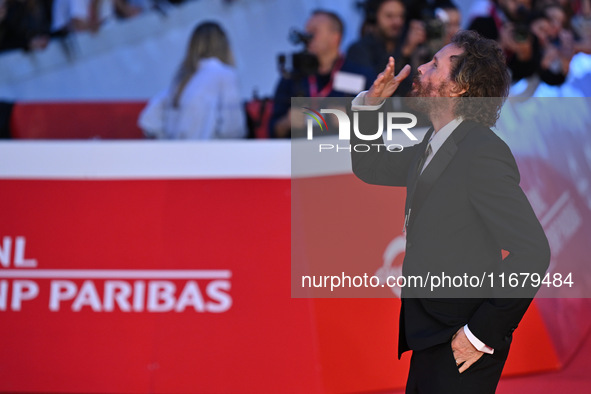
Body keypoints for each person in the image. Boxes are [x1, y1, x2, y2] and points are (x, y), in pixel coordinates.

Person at [350, 30, 550, 393]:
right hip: (434, 331)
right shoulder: (435, 141)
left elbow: (532, 251)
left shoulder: (481, 151)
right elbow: (372, 167)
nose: (420, 69)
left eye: (434, 64)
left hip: (462, 338)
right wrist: (369, 107)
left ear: (459, 87)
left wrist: (477, 335)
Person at [269, 9, 374, 138]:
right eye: (306, 32)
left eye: (313, 32)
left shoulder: (360, 75)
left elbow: (380, 123)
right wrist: (287, 122)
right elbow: (272, 130)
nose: (307, 38)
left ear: (335, 37)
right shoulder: (293, 77)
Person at [138, 21, 246, 140]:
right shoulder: (225, 74)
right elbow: (232, 128)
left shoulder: (183, 77)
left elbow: (149, 119)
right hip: (209, 153)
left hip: (176, 152)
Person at [347, 0, 427, 96]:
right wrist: (404, 52)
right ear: (374, 17)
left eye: (401, 16)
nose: (397, 22)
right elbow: (369, 86)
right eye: (389, 16)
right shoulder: (357, 50)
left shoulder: (408, 45)